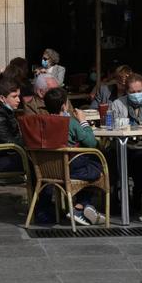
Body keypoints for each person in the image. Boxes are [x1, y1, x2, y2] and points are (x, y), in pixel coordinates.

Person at [40, 87, 104, 225]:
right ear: (64, 105)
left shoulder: (41, 122)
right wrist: (83, 121)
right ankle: (81, 205)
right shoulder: (70, 123)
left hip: (46, 168)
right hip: (70, 168)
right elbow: (91, 143)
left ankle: (83, 206)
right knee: (97, 163)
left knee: (90, 163)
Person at [108, 73, 142, 213]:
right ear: (127, 91)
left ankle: (138, 193)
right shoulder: (117, 104)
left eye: (139, 91)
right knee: (111, 156)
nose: (136, 94)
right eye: (132, 92)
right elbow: (111, 126)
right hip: (124, 144)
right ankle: (117, 199)